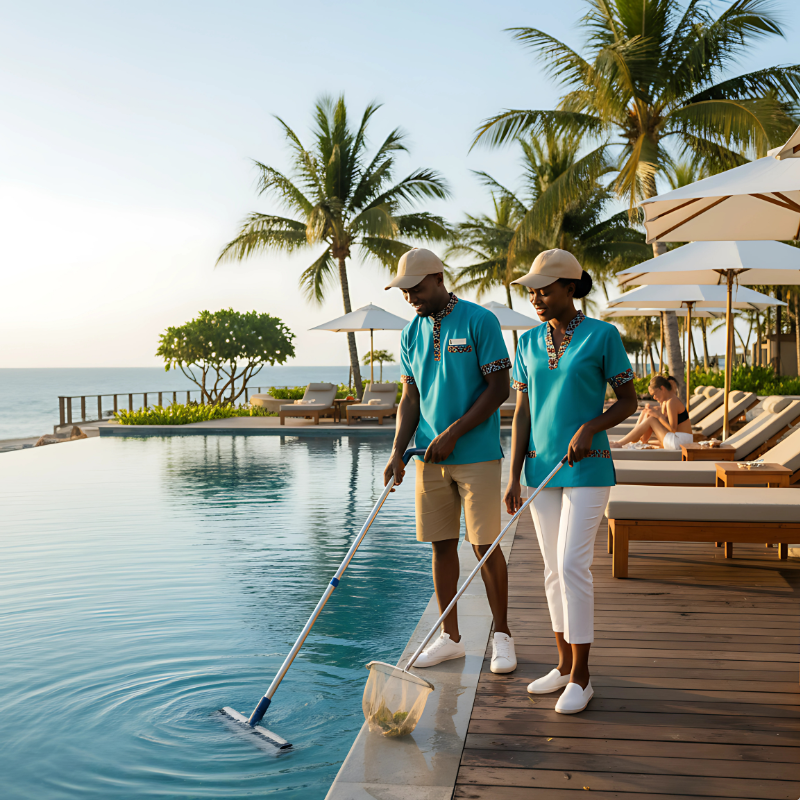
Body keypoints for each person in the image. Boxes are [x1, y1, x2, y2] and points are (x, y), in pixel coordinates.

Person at [504, 249, 637, 714]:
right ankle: (562, 665)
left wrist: (590, 427)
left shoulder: (603, 336)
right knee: (550, 569)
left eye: (544, 287)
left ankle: (583, 676)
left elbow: (628, 402)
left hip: (589, 465)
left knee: (572, 564)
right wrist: (514, 473)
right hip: (542, 470)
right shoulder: (525, 343)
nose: (536, 296)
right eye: (532, 289)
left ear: (569, 287)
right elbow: (522, 413)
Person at [384, 247, 517, 673]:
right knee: (441, 546)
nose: (410, 298)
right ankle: (450, 637)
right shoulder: (409, 333)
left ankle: (502, 636)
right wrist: (397, 450)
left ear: (439, 278)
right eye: (404, 292)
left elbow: (499, 390)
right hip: (427, 457)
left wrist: (454, 433)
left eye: (416, 288)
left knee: (483, 546)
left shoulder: (480, 320)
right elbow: (410, 397)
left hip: (475, 454)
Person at [610, 375, 693, 449]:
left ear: (662, 389)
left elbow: (673, 429)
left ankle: (620, 443)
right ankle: (634, 439)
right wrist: (650, 412)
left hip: (681, 441)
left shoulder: (672, 401)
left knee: (652, 419)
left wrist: (659, 416)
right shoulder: (667, 402)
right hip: (680, 440)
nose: (654, 397)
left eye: (654, 394)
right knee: (647, 412)